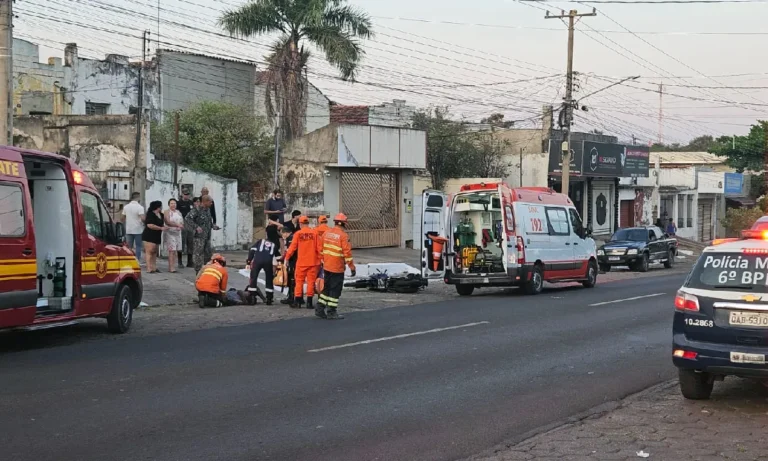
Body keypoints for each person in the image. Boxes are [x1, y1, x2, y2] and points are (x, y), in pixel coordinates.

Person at [316, 213, 356, 320]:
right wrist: (352, 267)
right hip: (337, 267)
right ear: (344, 224)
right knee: (335, 290)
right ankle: (331, 311)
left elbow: (321, 249)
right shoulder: (343, 236)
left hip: (327, 266)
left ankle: (320, 309)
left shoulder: (326, 233)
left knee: (326, 288)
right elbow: (347, 253)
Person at [284, 216, 320, 309]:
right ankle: (309, 302)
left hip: (301, 263)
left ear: (300, 224)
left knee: (299, 282)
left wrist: (286, 258)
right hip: (313, 262)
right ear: (308, 223)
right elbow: (319, 248)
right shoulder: (314, 233)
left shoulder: (298, 234)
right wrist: (322, 259)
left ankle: (297, 302)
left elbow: (292, 248)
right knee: (311, 282)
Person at [185, 195, 215, 272]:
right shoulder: (196, 210)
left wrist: (213, 226)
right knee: (198, 255)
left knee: (208, 255)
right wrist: (196, 227)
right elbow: (188, 218)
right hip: (199, 237)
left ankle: (207, 271)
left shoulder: (208, 210)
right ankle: (198, 272)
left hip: (207, 236)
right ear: (204, 202)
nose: (211, 203)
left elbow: (208, 221)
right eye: (210, 201)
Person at [246, 238, 277, 305]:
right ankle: (269, 298)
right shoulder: (274, 245)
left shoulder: (260, 241)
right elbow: (278, 256)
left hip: (258, 261)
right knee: (269, 278)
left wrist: (249, 261)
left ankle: (252, 297)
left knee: (253, 277)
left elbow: (252, 250)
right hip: (268, 262)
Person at [142, 201, 167, 273]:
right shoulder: (150, 214)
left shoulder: (161, 215)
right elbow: (150, 225)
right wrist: (160, 228)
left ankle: (154, 267)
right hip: (149, 235)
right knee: (149, 251)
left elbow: (162, 224)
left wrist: (164, 227)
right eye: (160, 206)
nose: (161, 207)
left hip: (157, 235)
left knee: (154, 251)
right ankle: (149, 268)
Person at [122, 192, 145, 263]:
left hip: (129, 229)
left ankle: (129, 260)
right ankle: (137, 260)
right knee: (138, 246)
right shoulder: (140, 207)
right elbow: (142, 218)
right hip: (138, 229)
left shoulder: (126, 207)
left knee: (129, 246)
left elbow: (122, 218)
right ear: (138, 198)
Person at [164, 198, 185, 273]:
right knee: (171, 250)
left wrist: (181, 225)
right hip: (170, 232)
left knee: (176, 250)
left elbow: (182, 221)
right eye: (171, 203)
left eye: (174, 203)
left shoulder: (178, 212)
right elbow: (167, 222)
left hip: (178, 233)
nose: (173, 205)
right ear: (169, 204)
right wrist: (177, 225)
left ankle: (174, 265)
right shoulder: (166, 212)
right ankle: (171, 267)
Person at [279, 227, 297, 305]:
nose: (282, 236)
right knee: (296, 281)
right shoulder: (294, 236)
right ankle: (298, 297)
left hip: (293, 262)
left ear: (285, 232)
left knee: (291, 280)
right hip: (297, 261)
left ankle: (291, 297)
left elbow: (290, 251)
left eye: (282, 234)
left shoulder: (290, 238)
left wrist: (284, 259)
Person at [177, 188, 195, 269]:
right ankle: (180, 262)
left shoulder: (191, 203)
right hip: (182, 223)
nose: (186, 196)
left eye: (187, 194)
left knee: (190, 243)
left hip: (190, 224)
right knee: (181, 243)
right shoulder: (179, 203)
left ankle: (190, 261)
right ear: (182, 194)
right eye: (185, 194)